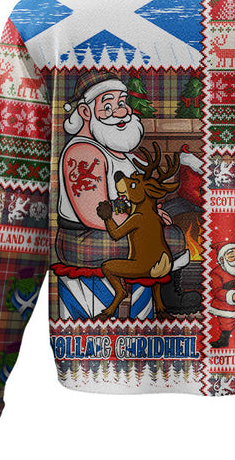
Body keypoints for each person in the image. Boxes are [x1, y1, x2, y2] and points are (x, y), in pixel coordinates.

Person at [55, 69, 201, 314]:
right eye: (108, 106)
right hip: (83, 238)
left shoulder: (117, 150)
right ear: (85, 112)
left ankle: (163, 294)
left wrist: (153, 213)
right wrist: (146, 222)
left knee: (173, 218)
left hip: (115, 228)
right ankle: (169, 296)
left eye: (121, 103)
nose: (120, 112)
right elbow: (94, 214)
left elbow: (133, 198)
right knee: (172, 237)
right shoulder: (83, 153)